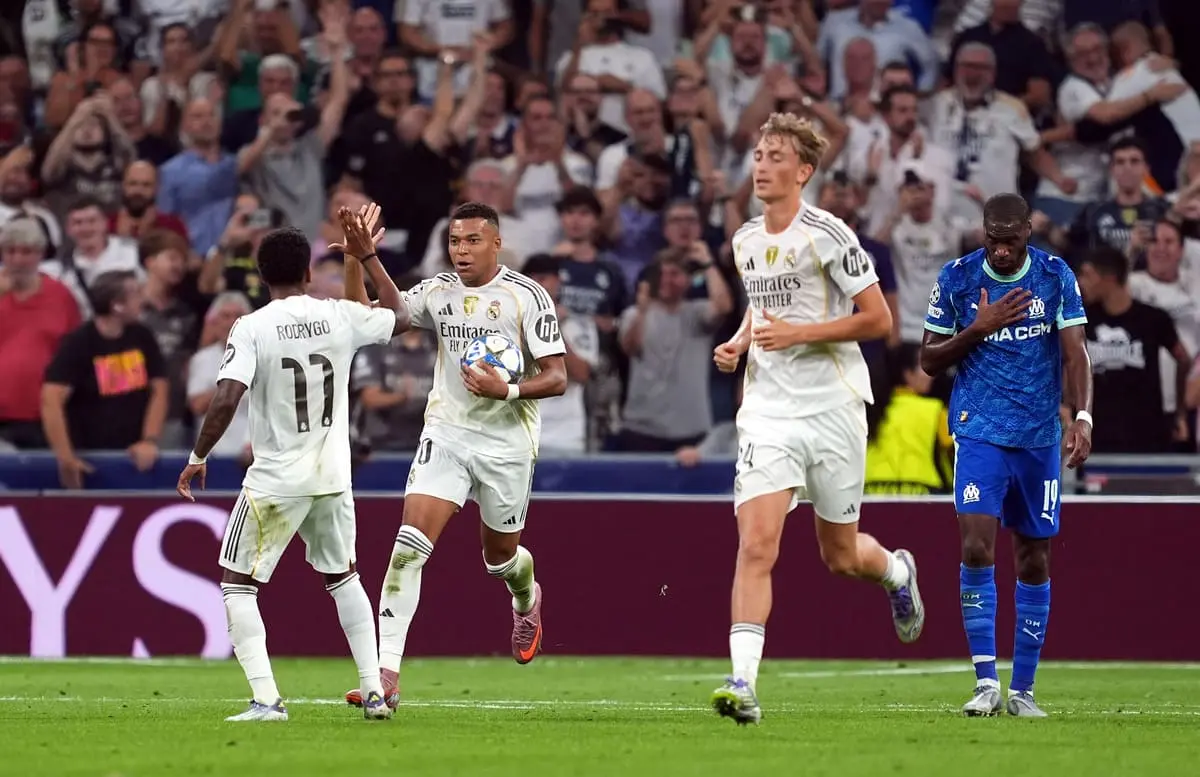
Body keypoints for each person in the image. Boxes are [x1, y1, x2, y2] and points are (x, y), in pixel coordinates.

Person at [709, 113, 924, 726]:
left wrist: (801, 334)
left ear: (803, 171)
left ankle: (895, 568)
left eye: (775, 155)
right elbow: (762, 306)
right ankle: (742, 683)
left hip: (832, 407)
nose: (761, 164)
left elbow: (880, 320)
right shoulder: (746, 239)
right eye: (757, 153)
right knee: (757, 544)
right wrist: (740, 340)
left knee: (839, 555)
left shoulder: (829, 235)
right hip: (769, 411)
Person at [175, 208, 409, 723]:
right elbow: (403, 316)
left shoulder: (252, 326)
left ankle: (266, 701)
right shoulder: (340, 315)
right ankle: (374, 692)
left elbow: (227, 395)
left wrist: (198, 456)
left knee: (237, 583)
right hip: (332, 477)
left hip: (278, 477)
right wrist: (365, 256)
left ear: (261, 277)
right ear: (308, 272)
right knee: (344, 577)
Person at [343, 202, 568, 711]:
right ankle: (386, 677)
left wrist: (506, 389)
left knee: (500, 560)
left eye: (472, 241)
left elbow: (557, 376)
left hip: (507, 443)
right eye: (454, 241)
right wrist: (363, 258)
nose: (461, 251)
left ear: (496, 243)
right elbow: (377, 318)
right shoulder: (439, 291)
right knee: (407, 548)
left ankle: (527, 598)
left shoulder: (525, 296)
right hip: (447, 433)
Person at [920, 193, 1094, 718]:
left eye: (1009, 240)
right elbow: (928, 359)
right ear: (983, 231)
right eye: (991, 239)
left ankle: (1023, 691)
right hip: (979, 431)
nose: (998, 250)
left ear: (1028, 232)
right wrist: (978, 328)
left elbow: (1075, 352)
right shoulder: (956, 277)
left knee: (1034, 557)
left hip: (1039, 437)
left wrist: (1082, 417)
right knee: (976, 546)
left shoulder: (1055, 276)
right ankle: (984, 682)